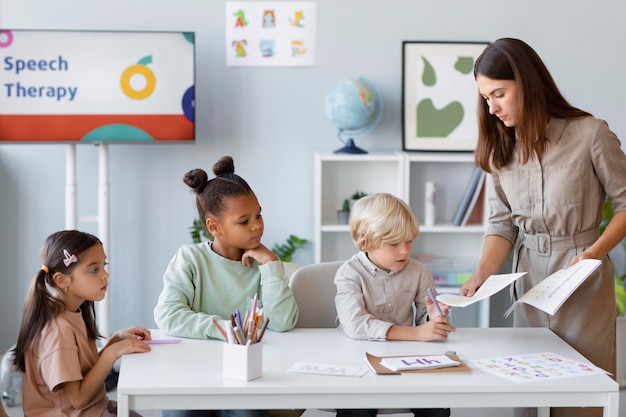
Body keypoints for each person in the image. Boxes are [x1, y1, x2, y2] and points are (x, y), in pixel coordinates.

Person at [461, 38, 626, 417]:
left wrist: (592, 255)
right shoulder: (501, 149)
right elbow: (501, 224)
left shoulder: (590, 134)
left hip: (583, 279)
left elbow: (625, 204)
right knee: (527, 397)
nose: (492, 108)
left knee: (579, 401)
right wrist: (482, 273)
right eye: (486, 98)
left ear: (526, 81)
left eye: (498, 94)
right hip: (530, 282)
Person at [153, 155, 299, 417]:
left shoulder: (263, 266)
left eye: (258, 215)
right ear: (214, 226)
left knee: (248, 413)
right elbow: (168, 315)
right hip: (192, 369)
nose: (257, 225)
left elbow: (283, 322)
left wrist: (270, 262)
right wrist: (226, 329)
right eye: (244, 221)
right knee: (182, 412)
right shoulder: (190, 258)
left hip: (247, 373)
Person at [334, 193, 455, 417]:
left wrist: (433, 317)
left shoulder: (419, 272)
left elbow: (426, 326)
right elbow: (356, 325)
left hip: (408, 358)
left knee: (436, 405)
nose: (405, 250)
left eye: (409, 241)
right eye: (394, 243)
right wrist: (418, 333)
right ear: (365, 243)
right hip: (358, 359)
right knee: (356, 408)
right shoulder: (349, 274)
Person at [12, 230, 152, 417]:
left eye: (104, 265)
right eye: (94, 269)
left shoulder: (73, 311)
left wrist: (115, 341)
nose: (105, 274)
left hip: (92, 409)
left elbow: (83, 373)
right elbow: (77, 398)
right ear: (62, 280)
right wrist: (111, 353)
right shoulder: (58, 330)